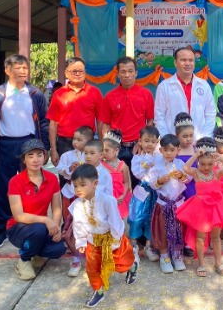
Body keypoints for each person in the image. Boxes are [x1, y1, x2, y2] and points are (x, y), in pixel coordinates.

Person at [0, 54, 50, 249]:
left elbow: (43, 121)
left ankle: (29, 223)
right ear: (7, 70)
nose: (23, 71)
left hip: (29, 144)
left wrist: (44, 147)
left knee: (30, 185)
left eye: (25, 68)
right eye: (18, 68)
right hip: (5, 145)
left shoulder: (35, 93)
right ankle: (0, 228)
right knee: (2, 187)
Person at [71, 164, 138, 308]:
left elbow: (115, 221)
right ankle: (98, 291)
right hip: (93, 240)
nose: (78, 189)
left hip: (112, 238)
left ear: (95, 183)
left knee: (121, 263)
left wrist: (115, 240)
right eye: (75, 186)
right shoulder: (77, 204)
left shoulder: (107, 200)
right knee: (92, 268)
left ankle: (132, 267)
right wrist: (81, 241)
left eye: (82, 185)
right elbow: (78, 223)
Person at [7, 139, 66, 280]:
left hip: (41, 228)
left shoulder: (52, 179)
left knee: (58, 249)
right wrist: (46, 220)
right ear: (24, 159)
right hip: (19, 228)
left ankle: (36, 252)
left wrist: (56, 227)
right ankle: (24, 260)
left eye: (39, 155)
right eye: (30, 156)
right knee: (38, 229)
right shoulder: (15, 181)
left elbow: (57, 208)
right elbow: (18, 216)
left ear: (45, 157)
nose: (35, 159)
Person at [176, 137, 223, 277]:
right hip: (201, 209)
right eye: (203, 164)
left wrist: (221, 158)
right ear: (198, 162)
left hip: (216, 209)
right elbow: (185, 168)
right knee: (200, 237)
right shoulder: (196, 173)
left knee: (216, 237)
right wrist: (195, 155)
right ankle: (201, 264)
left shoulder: (217, 173)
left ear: (214, 163)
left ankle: (218, 263)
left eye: (210, 164)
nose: (206, 167)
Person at [99, 56, 154, 179]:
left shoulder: (146, 94)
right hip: (116, 148)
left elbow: (150, 121)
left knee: (138, 183)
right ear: (118, 74)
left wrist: (142, 142)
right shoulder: (110, 96)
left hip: (138, 148)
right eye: (123, 72)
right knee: (116, 182)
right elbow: (105, 124)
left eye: (130, 71)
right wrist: (108, 146)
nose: (127, 75)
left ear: (136, 73)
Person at [47, 57, 103, 168]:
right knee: (66, 176)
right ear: (66, 73)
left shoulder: (94, 92)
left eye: (80, 71)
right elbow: (53, 124)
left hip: (88, 145)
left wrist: (101, 145)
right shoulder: (59, 94)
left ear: (85, 72)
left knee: (89, 176)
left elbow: (101, 121)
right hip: (65, 144)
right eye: (74, 71)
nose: (78, 74)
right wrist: (53, 149)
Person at [55, 125, 94, 277]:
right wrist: (70, 169)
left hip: (86, 196)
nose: (75, 142)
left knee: (87, 223)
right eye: (74, 139)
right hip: (70, 194)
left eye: (79, 139)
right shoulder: (67, 155)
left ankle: (90, 253)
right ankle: (75, 257)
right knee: (71, 223)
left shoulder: (91, 157)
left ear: (89, 141)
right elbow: (60, 170)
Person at [154, 47, 216, 141]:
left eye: (191, 60)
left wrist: (203, 138)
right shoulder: (164, 86)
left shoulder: (204, 85)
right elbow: (159, 117)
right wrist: (168, 140)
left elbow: (210, 114)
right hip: (173, 143)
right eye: (183, 60)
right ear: (175, 62)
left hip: (199, 142)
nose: (187, 63)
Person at [150, 134, 191, 273]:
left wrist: (182, 176)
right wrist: (159, 181)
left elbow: (188, 179)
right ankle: (164, 256)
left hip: (178, 204)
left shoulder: (180, 164)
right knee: (163, 230)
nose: (168, 153)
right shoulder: (157, 166)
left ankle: (177, 255)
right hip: (163, 204)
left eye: (172, 150)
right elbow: (151, 183)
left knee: (179, 230)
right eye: (165, 150)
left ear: (178, 150)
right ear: (160, 150)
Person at [128, 126, 160, 262]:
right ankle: (134, 247)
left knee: (151, 219)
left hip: (156, 192)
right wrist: (146, 164)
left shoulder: (159, 157)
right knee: (136, 217)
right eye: (146, 141)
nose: (149, 144)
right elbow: (137, 173)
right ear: (140, 141)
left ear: (157, 143)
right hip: (142, 191)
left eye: (153, 142)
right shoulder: (137, 158)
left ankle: (148, 247)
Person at [101, 129, 132, 221]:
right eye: (102, 150)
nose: (104, 153)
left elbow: (126, 182)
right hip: (106, 197)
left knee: (119, 219)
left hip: (119, 198)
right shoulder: (100, 165)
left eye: (107, 150)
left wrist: (123, 195)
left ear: (116, 150)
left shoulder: (123, 166)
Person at [174, 112, 197, 199]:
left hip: (193, 187)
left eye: (191, 136)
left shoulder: (195, 148)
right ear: (177, 136)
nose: (189, 139)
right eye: (185, 136)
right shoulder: (174, 150)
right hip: (178, 186)